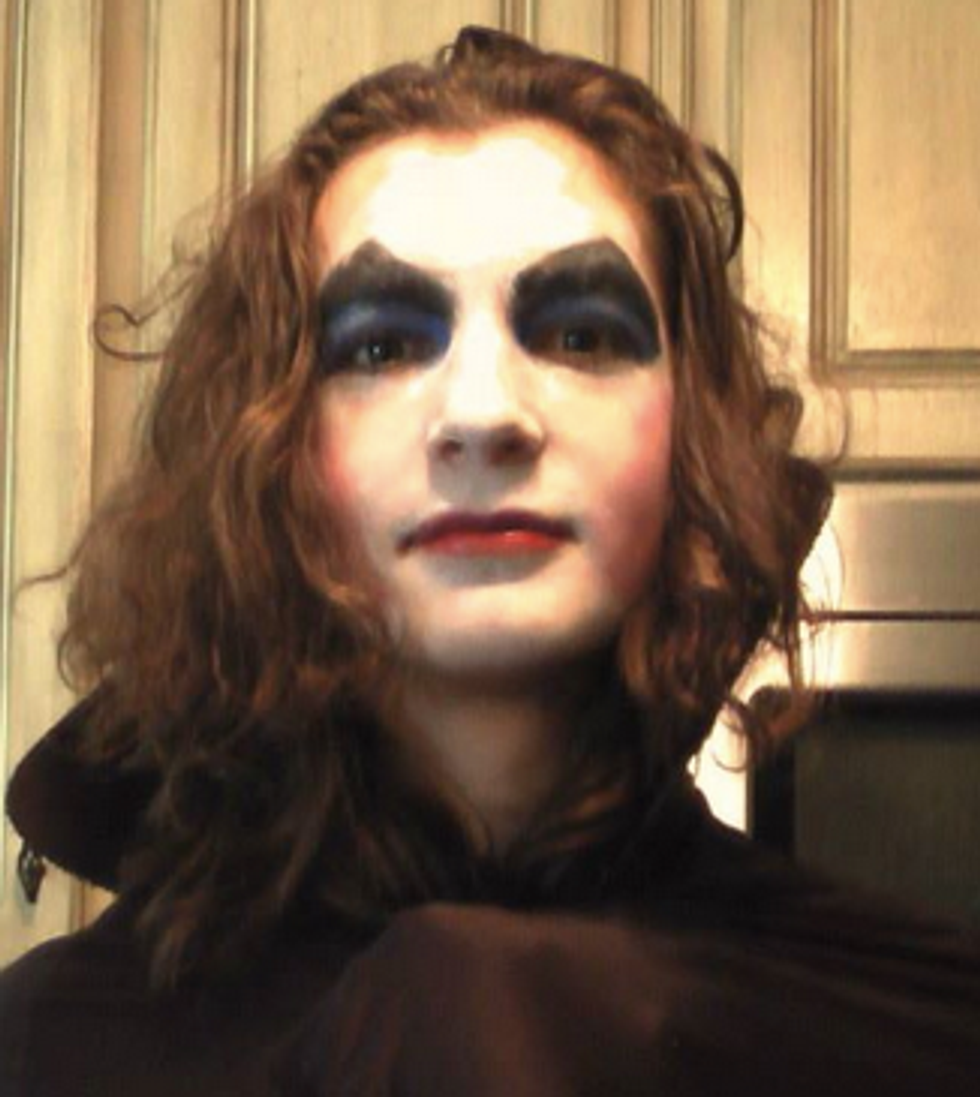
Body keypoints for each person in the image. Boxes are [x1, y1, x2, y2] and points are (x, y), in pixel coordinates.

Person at [1, 25, 977, 1096]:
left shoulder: (910, 1030)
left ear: (689, 431)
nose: (482, 414)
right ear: (273, 449)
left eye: (580, 335)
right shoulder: (49, 1048)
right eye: (379, 346)